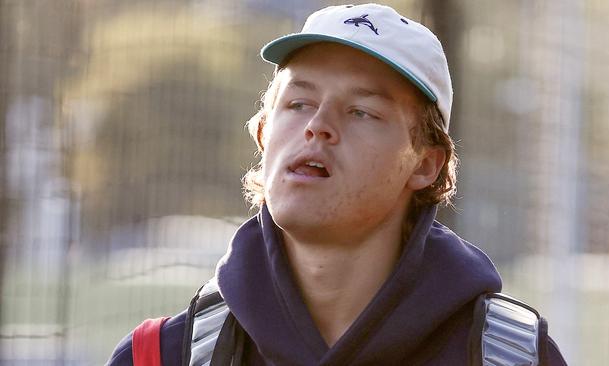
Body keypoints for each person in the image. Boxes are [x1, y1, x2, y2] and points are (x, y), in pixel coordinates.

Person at [108, 3, 567, 365]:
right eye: (299, 103)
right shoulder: (159, 358)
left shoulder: (514, 357)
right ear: (265, 134)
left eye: (361, 111)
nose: (318, 126)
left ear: (426, 165)